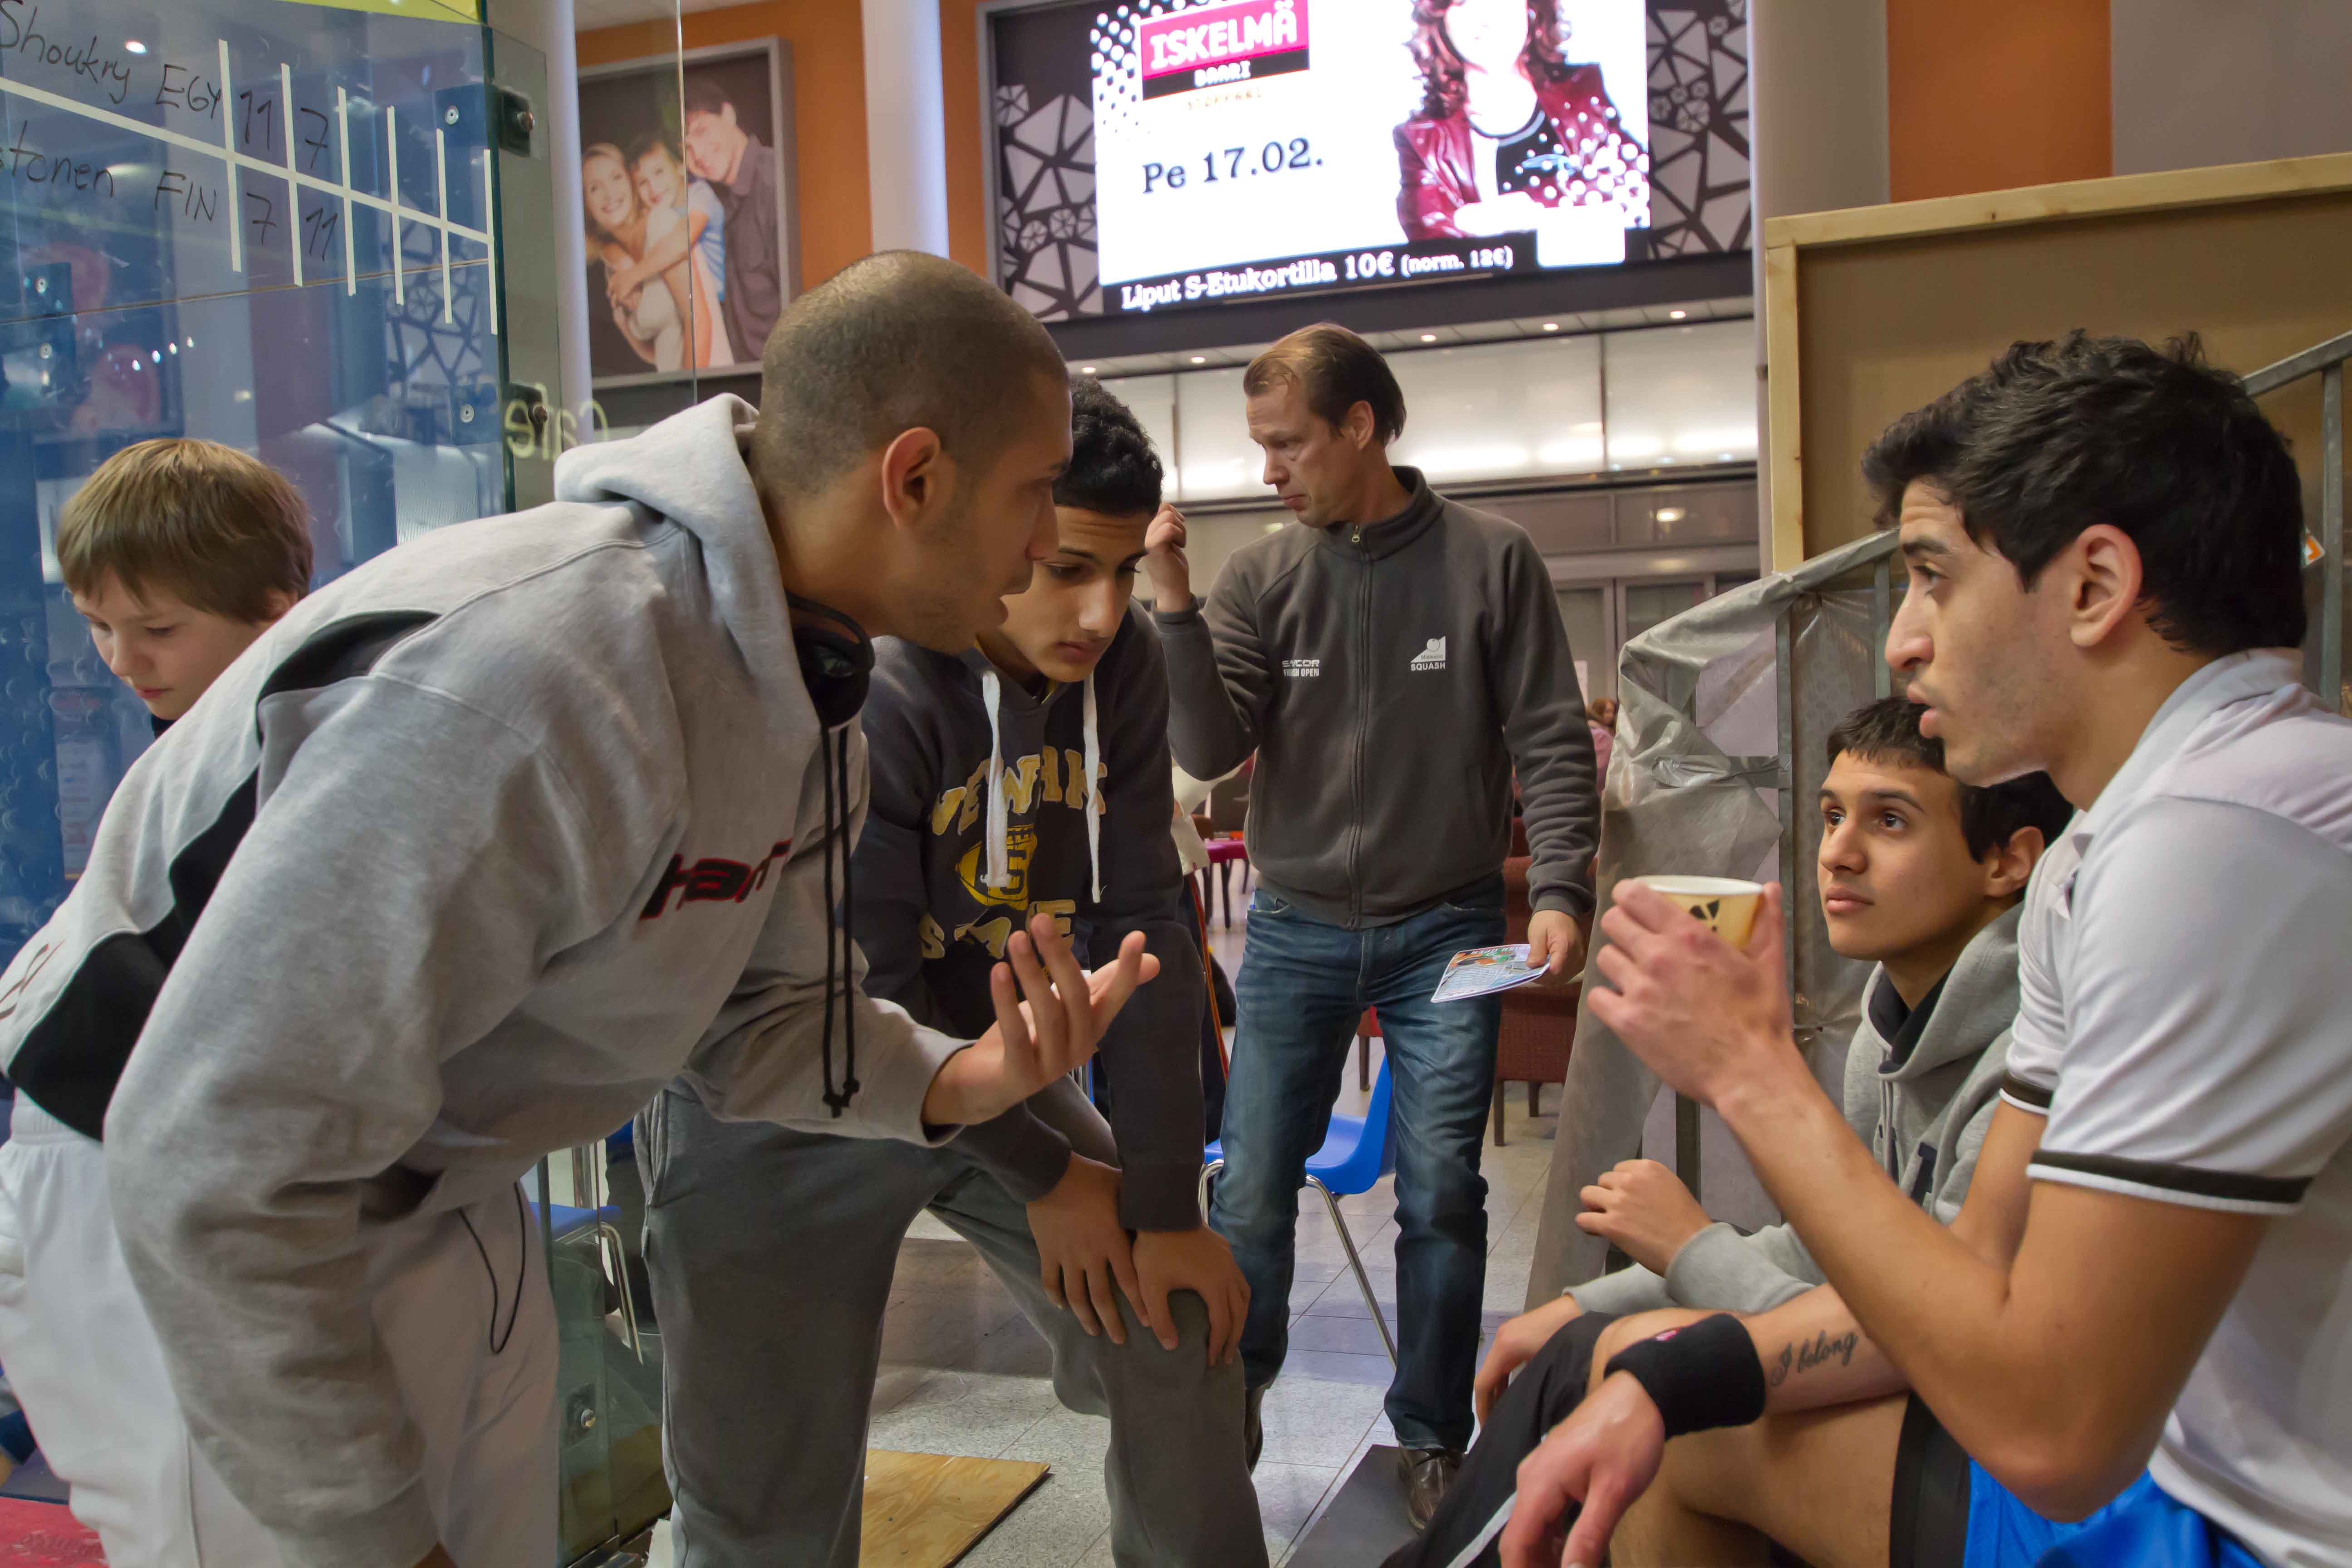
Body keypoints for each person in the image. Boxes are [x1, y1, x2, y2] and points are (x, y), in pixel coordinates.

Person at [0, 252, 1158, 1568]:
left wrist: (962, 1078)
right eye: (1032, 495)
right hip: (177, 1193)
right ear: (914, 479)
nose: (1040, 545)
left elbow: (764, 1017)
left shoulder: (803, 678)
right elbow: (214, 1153)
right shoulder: (534, 672)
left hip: (431, 1177)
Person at [1499, 332, 2352, 1568]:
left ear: (2094, 586)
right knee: (1656, 1394)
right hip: (2179, 1470)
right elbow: (1970, 1265)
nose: (1902, 639)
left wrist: (1749, 1069)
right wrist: (1675, 1372)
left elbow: (2051, 1427)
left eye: (1933, 578)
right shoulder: (2107, 842)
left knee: (1670, 1414)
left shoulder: (2221, 838)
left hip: (2261, 1525)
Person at [642, 379, 1262, 1568]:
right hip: (788, 1096)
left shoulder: (1120, 661)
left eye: (1124, 571)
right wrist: (1047, 1175)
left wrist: (1166, 1205)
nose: (1102, 611)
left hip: (996, 1069)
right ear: (996, 529)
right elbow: (865, 993)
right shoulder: (873, 678)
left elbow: (1148, 924)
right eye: (1067, 567)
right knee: (763, 1512)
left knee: (1176, 1326)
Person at [1388, 695, 2073, 1567]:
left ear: (2008, 860)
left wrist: (1690, 1243)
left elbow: (1926, 1335)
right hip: (1946, 1404)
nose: (1837, 852)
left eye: (1889, 821)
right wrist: (1585, 1301)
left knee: (1652, 1388)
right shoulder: (1891, 1026)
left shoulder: (2030, 1064)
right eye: (1831, 816)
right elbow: (1835, 1258)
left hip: (2023, 1465)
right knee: (1600, 1351)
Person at [1144, 322, 1600, 1525]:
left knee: (1444, 1189)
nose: (1269, 471)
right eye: (1259, 446)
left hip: (1455, 929)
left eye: (1287, 443)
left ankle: (1433, 1432)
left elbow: (1551, 738)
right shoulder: (1262, 577)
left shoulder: (1492, 561)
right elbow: (1209, 747)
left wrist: (1561, 889)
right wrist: (1176, 607)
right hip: (1293, 928)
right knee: (1250, 1187)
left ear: (1361, 427)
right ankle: (1235, 1397)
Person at [0, 439, 310, 1567]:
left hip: (167, 1176)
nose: (121, 660)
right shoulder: (201, 753)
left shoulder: (289, 755)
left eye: (157, 628)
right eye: (96, 624)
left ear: (278, 613)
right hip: (107, 1168)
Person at [1395, 0, 1647, 250]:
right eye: (1464, 2)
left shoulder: (1583, 92)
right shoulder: (1421, 140)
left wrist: (1528, 210)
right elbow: (1434, 244)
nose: (1485, 19)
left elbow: (1633, 190)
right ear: (1440, 20)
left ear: (1531, 7)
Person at [583, 141, 723, 372]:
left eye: (616, 178)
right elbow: (660, 352)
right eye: (595, 188)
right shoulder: (614, 262)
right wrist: (623, 324)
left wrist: (688, 394)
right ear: (586, 205)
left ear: (630, 181)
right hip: (671, 383)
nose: (609, 194)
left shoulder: (660, 224)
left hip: (703, 383)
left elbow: (698, 322)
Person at [683, 77, 784, 370]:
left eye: (702, 131)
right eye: (687, 148)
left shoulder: (774, 182)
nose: (698, 154)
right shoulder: (715, 203)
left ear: (728, 115)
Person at [614, 132, 736, 367]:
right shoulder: (662, 213)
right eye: (642, 183)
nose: (653, 188)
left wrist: (633, 276)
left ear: (680, 167)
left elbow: (681, 241)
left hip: (718, 311)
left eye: (659, 172)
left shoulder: (700, 194)